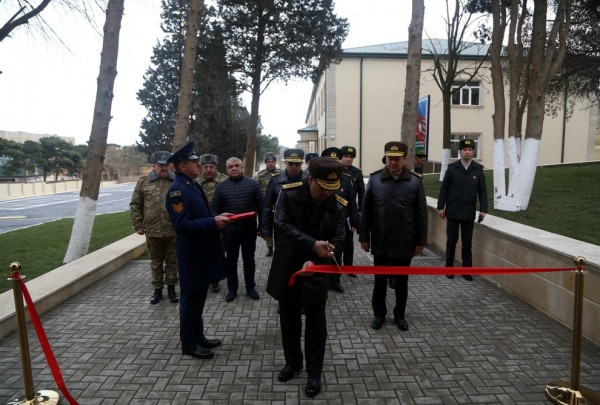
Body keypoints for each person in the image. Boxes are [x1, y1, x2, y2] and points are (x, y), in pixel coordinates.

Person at [266, 156, 345, 398]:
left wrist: (319, 260)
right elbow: (281, 225)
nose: (325, 194)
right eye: (322, 188)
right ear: (309, 179)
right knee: (289, 321)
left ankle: (314, 373)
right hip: (288, 269)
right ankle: (293, 363)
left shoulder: (337, 204)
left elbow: (339, 240)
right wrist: (312, 246)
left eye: (331, 189)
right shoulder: (288, 195)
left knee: (316, 325)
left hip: (317, 272)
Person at [165, 141, 230, 360]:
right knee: (190, 300)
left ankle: (199, 336)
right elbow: (182, 226)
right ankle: (189, 343)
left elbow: (200, 217)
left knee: (198, 299)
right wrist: (214, 223)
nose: (199, 165)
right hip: (192, 255)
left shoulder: (191, 184)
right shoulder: (177, 191)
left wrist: (215, 219)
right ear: (182, 166)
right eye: (194, 161)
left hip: (201, 252)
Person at [359, 141, 427, 332]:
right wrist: (364, 237)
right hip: (381, 240)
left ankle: (400, 315)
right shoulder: (375, 179)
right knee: (379, 282)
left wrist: (421, 241)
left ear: (404, 159)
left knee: (402, 283)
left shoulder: (415, 181)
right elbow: (367, 211)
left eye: (397, 159)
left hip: (405, 241)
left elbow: (421, 214)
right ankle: (379, 314)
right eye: (390, 158)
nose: (393, 162)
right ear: (386, 158)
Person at [130, 151, 179, 305]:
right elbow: (135, 205)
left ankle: (172, 290)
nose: (164, 168)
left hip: (173, 230)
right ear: (154, 165)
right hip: (153, 231)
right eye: (160, 165)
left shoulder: (177, 181)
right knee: (156, 262)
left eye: (166, 165)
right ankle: (157, 291)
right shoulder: (143, 182)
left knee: (172, 261)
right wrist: (138, 224)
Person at [212, 157, 264, 302]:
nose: (233, 169)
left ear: (241, 167)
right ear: (227, 169)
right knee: (231, 261)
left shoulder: (253, 184)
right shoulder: (221, 187)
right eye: (230, 167)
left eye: (236, 166)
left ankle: (250, 287)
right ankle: (232, 288)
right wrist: (219, 229)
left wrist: (262, 227)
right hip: (230, 231)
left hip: (249, 230)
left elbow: (262, 207)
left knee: (249, 260)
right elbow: (214, 210)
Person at [436, 138, 488, 281]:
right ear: (459, 152)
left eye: (469, 149)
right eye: (464, 150)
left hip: (468, 212)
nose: (467, 152)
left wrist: (483, 209)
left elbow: (482, 191)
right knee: (452, 240)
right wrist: (441, 207)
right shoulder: (452, 168)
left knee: (467, 242)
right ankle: (449, 268)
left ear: (473, 152)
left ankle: (466, 270)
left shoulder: (478, 169)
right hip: (452, 211)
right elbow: (444, 189)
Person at [320, 147, 359, 293]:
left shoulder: (346, 180)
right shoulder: (319, 178)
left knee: (338, 251)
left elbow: (352, 203)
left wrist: (355, 222)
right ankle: (323, 280)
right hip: (322, 222)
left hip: (340, 222)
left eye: (335, 162)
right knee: (323, 252)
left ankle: (336, 280)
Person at [260, 148, 308, 256]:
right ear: (286, 162)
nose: (294, 167)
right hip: (282, 227)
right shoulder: (275, 181)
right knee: (283, 257)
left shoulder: (308, 180)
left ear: (301, 163)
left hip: (303, 226)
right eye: (291, 163)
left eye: (297, 163)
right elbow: (267, 207)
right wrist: (267, 231)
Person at [197, 153, 229, 293]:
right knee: (201, 253)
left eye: (211, 167)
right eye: (205, 167)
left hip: (221, 226)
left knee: (219, 253)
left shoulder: (225, 181)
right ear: (201, 168)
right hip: (201, 225)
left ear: (216, 167)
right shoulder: (195, 182)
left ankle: (215, 280)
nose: (208, 169)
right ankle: (204, 278)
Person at [339, 145, 365, 277]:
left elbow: (361, 194)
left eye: (351, 157)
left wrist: (360, 212)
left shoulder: (357, 173)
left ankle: (348, 267)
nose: (348, 159)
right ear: (341, 157)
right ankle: (335, 268)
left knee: (349, 241)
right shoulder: (335, 171)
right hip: (336, 211)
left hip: (350, 211)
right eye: (345, 156)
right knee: (336, 241)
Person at [253, 152, 282, 257]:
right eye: (268, 162)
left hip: (278, 205)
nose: (270, 163)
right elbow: (256, 190)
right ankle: (269, 248)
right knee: (267, 228)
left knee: (279, 227)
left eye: (272, 161)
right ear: (266, 163)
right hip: (265, 207)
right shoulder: (260, 175)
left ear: (275, 162)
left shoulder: (281, 174)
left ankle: (279, 248)